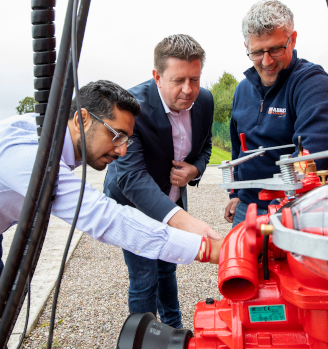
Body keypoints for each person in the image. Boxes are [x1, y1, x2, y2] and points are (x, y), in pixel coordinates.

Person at [0, 80, 221, 349]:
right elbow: (105, 218)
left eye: (127, 140)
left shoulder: (45, 138)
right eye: (116, 135)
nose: (120, 149)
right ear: (81, 118)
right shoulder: (30, 154)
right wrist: (205, 249)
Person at [103, 34, 217, 329]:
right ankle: (144, 339)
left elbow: (205, 146)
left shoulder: (205, 99)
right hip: (134, 202)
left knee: (168, 268)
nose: (189, 90)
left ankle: (173, 330)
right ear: (157, 76)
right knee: (145, 277)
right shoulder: (130, 107)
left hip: (172, 198)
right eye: (179, 80)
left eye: (195, 78)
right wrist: (181, 221)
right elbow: (131, 176)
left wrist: (195, 169)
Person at [225, 0, 328, 227]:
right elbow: (239, 148)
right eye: (257, 52)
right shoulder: (242, 90)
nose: (267, 61)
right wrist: (236, 193)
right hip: (246, 208)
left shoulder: (310, 81)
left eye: (276, 49)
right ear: (246, 47)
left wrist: (284, 199)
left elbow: (316, 151)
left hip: (294, 208)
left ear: (293, 39)